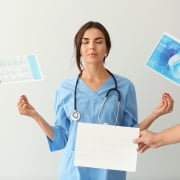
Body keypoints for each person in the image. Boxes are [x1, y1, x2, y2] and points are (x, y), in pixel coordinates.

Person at [17, 21, 173, 180]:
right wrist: (34, 115)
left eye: (98, 41)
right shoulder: (64, 88)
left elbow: (131, 135)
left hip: (110, 170)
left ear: (107, 48)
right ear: (79, 49)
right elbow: (62, 137)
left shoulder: (125, 87)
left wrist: (156, 113)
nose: (92, 46)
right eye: (85, 42)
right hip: (73, 171)